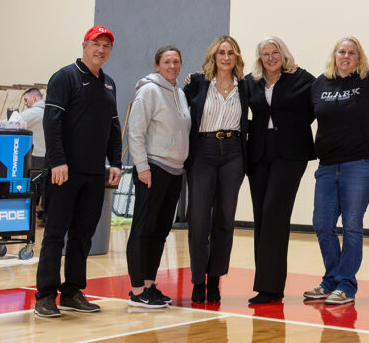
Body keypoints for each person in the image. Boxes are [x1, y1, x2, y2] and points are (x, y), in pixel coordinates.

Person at [34, 26, 122, 318]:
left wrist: (116, 163)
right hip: (64, 172)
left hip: (95, 174)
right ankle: (46, 295)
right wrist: (58, 160)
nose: (101, 50)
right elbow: (52, 121)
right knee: (55, 234)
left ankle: (72, 291)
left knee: (83, 234)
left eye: (106, 46)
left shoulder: (109, 84)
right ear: (84, 45)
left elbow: (113, 127)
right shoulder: (64, 77)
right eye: (96, 44)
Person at [305, 37, 369, 305]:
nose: (346, 56)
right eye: (341, 51)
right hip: (328, 166)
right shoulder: (319, 84)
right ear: (334, 55)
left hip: (362, 163)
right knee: (322, 224)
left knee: (352, 224)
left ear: (359, 57)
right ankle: (330, 280)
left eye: (352, 53)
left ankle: (346, 285)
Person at [243, 36, 315, 305]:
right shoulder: (251, 81)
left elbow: (316, 105)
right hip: (259, 154)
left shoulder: (303, 78)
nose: (271, 57)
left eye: (275, 52)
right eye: (265, 53)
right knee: (261, 217)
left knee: (275, 213)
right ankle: (266, 285)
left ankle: (271, 288)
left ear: (284, 54)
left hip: (290, 154)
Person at [183, 35, 249, 304]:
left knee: (225, 219)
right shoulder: (197, 83)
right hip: (203, 152)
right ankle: (198, 279)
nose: (225, 57)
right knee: (198, 220)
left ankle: (215, 280)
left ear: (237, 58)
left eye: (230, 53)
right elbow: (174, 101)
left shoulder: (246, 87)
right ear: (213, 56)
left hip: (233, 153)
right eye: (221, 52)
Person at [125, 45, 191, 308]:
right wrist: (142, 168)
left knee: (159, 232)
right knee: (142, 231)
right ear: (156, 65)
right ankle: (137, 290)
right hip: (152, 169)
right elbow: (135, 132)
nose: (172, 66)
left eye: (176, 61)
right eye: (167, 61)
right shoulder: (149, 91)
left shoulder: (180, 94)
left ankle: (150, 286)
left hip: (175, 172)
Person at [11, 88, 47, 222]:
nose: (25, 103)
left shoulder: (33, 113)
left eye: (26, 100)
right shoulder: (50, 110)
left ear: (34, 98)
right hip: (50, 155)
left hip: (36, 155)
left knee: (32, 184)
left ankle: (28, 215)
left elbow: (10, 124)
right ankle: (44, 216)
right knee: (46, 186)